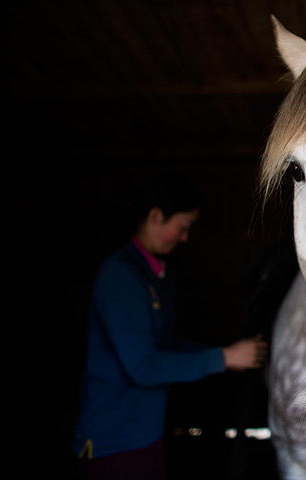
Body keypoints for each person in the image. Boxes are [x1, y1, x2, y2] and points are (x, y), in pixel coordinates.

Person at [72, 173, 267, 480]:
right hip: (114, 445)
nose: (186, 237)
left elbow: (165, 344)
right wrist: (225, 357)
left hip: (145, 438)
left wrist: (226, 354)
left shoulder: (156, 275)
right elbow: (145, 367)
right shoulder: (121, 277)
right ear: (155, 216)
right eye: (183, 227)